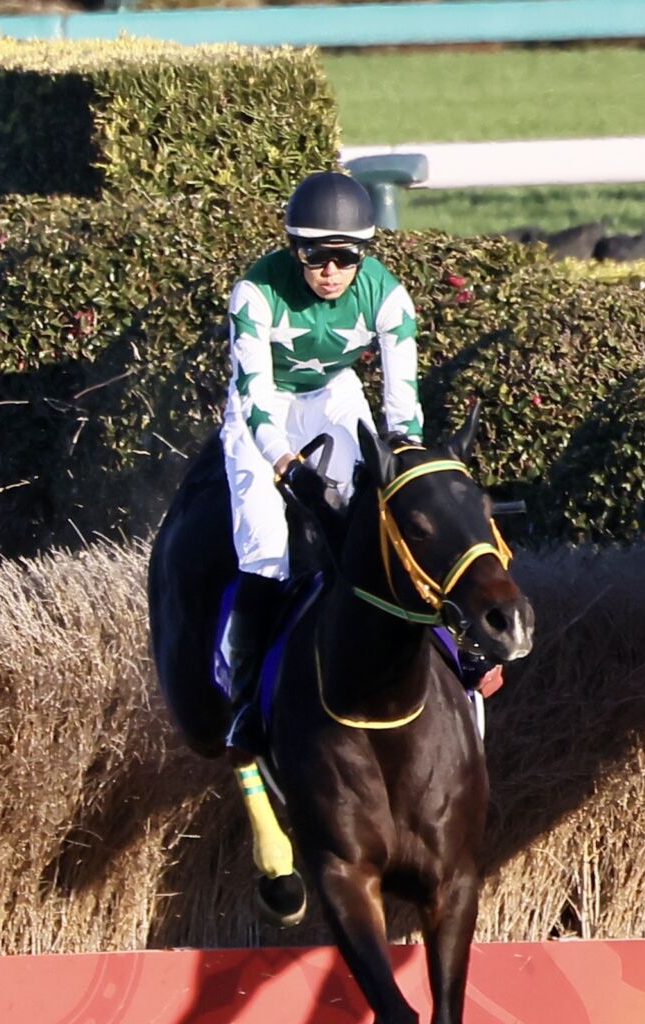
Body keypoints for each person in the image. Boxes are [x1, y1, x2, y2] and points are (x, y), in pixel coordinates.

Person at [220, 170, 424, 756]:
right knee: (264, 548)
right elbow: (254, 397)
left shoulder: (388, 296)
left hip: (334, 394)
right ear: (293, 250)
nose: (330, 271)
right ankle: (243, 705)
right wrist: (284, 464)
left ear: (364, 253)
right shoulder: (255, 293)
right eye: (315, 256)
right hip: (265, 409)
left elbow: (402, 406)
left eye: (346, 256)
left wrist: (404, 455)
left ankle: (452, 660)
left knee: (377, 509)